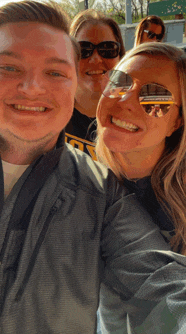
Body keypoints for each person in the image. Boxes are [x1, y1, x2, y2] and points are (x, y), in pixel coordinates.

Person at [0, 1, 186, 334]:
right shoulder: (108, 178)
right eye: (9, 67)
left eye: (55, 72)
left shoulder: (102, 195)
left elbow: (161, 285)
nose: (32, 87)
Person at [96, 42, 186, 332]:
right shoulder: (85, 181)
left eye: (155, 97)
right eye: (119, 82)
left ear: (177, 122)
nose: (125, 101)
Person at [65, 9, 125, 160]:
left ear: (120, 56)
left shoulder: (134, 114)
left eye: (108, 49)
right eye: (84, 50)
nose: (96, 59)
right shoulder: (52, 114)